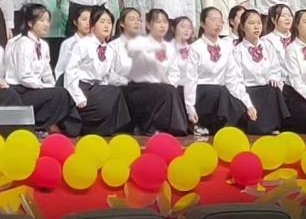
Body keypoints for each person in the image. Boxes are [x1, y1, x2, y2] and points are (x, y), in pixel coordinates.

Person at [5, 4, 81, 135]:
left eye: (47, 20)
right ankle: (52, 125)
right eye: (41, 20)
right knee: (60, 94)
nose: (46, 24)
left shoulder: (43, 45)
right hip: (20, 91)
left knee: (61, 92)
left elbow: (47, 72)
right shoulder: (23, 43)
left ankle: (56, 125)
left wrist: (52, 86)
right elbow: (24, 77)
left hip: (35, 88)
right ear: (30, 23)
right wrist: (44, 87)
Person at [63, 6, 133, 135]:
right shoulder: (83, 44)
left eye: (109, 22)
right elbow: (70, 71)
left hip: (95, 87)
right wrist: (77, 96)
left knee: (117, 92)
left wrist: (125, 82)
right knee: (113, 93)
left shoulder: (109, 50)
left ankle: (105, 129)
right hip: (79, 87)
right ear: (93, 26)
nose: (106, 26)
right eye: (102, 22)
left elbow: (106, 76)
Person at [121, 9, 190, 136]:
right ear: (148, 25)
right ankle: (148, 126)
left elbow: (174, 71)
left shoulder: (170, 47)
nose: (162, 26)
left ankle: (165, 128)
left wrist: (169, 82)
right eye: (158, 22)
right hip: (138, 86)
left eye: (165, 22)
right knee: (162, 90)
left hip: (161, 85)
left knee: (171, 89)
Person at [184, 7, 252, 137]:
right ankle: (200, 124)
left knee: (239, 107)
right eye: (213, 20)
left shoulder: (227, 47)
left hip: (221, 95)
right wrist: (190, 108)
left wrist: (247, 103)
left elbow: (232, 79)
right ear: (203, 23)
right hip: (201, 94)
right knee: (220, 92)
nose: (218, 24)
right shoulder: (195, 48)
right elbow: (190, 80)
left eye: (220, 21)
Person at [232, 9, 289, 135]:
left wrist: (274, 77)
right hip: (249, 91)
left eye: (259, 23)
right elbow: (237, 80)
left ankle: (274, 124)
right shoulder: (237, 51)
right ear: (242, 26)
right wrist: (248, 104)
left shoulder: (268, 46)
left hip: (267, 90)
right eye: (251, 23)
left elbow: (275, 68)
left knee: (274, 88)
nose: (256, 26)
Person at [55, 5, 93, 81]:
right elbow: (60, 69)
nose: (88, 23)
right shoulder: (68, 44)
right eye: (84, 19)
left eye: (90, 20)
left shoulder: (95, 43)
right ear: (75, 22)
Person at [110, 7, 142, 85]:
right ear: (122, 23)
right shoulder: (112, 47)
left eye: (138, 20)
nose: (136, 22)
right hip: (123, 86)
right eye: (132, 19)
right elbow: (108, 74)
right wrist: (126, 82)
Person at [260, 3, 295, 69]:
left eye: (290, 15)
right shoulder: (266, 40)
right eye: (283, 16)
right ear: (273, 20)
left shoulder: (297, 38)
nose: (287, 18)